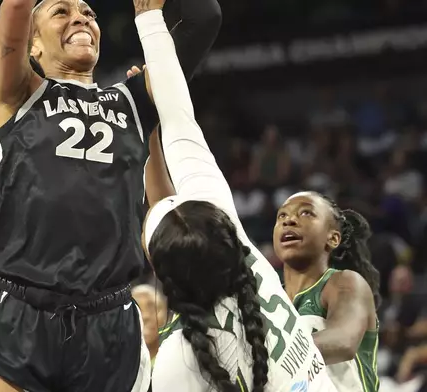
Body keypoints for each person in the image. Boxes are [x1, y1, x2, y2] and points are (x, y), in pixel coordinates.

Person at [0, 0, 223, 391]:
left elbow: (205, 18)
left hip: (110, 319)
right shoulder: (18, 93)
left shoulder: (134, 101)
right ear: (33, 45)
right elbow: (14, 6)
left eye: (88, 13)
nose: (81, 17)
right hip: (22, 310)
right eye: (61, 12)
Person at [132, 9, 337, 391]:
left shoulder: (180, 361)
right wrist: (149, 20)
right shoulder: (246, 262)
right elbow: (181, 120)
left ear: (163, 276)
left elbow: (161, 216)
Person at [273, 192, 380, 392]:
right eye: (282, 216)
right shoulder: (269, 298)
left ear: (332, 238)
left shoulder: (345, 283)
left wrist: (268, 354)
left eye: (306, 213)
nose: (290, 221)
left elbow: (343, 342)